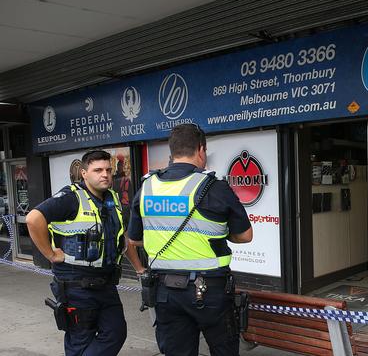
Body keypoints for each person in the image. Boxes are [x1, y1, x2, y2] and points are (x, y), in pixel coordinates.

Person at [128, 123, 253, 356]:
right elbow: (245, 235)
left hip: (165, 291)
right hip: (209, 291)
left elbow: (134, 240)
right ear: (201, 149)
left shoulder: (147, 187)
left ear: (171, 152)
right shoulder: (214, 187)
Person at [26, 150, 145, 356]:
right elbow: (33, 219)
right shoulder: (70, 197)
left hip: (106, 283)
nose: (105, 174)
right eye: (98, 170)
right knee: (80, 341)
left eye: (108, 169)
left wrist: (139, 269)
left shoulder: (113, 198)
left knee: (116, 332)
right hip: (76, 284)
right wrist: (51, 255)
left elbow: (122, 237)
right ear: (84, 173)